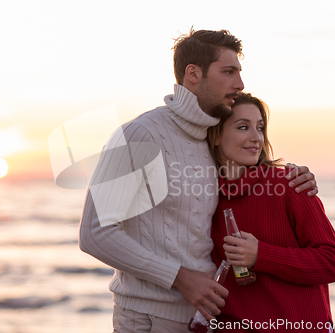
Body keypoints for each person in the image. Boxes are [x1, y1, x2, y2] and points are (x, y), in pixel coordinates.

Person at [79, 29, 318, 333]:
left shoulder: (210, 138)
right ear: (193, 74)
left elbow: (250, 174)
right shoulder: (139, 135)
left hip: (202, 319)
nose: (240, 84)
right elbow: (94, 234)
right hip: (147, 318)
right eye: (228, 72)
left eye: (239, 73)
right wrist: (180, 278)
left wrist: (295, 175)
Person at [206, 92, 335, 332]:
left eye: (260, 128)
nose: (256, 138)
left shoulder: (290, 184)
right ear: (216, 135)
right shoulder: (204, 199)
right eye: (243, 127)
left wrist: (261, 255)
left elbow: (333, 262)